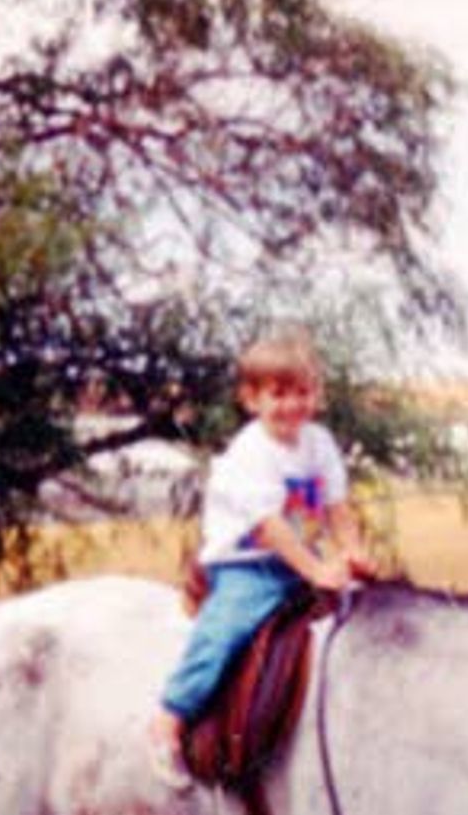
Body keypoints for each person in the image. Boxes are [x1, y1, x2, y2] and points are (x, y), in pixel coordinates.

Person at [148, 326, 381, 786]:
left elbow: (336, 506)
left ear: (316, 394)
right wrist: (317, 570)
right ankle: (170, 717)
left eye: (301, 392)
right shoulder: (250, 453)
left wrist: (353, 554)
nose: (292, 405)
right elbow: (269, 528)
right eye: (278, 394)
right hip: (248, 565)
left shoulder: (319, 442)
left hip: (299, 560)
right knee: (226, 631)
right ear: (251, 399)